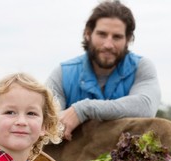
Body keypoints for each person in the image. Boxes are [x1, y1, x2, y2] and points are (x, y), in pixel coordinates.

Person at [46, 0, 161, 141]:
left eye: (117, 37)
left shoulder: (141, 67)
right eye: (102, 34)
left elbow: (145, 107)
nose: (108, 44)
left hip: (125, 159)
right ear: (88, 34)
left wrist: (83, 109)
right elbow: (48, 120)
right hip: (72, 159)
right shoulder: (63, 74)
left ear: (128, 39)